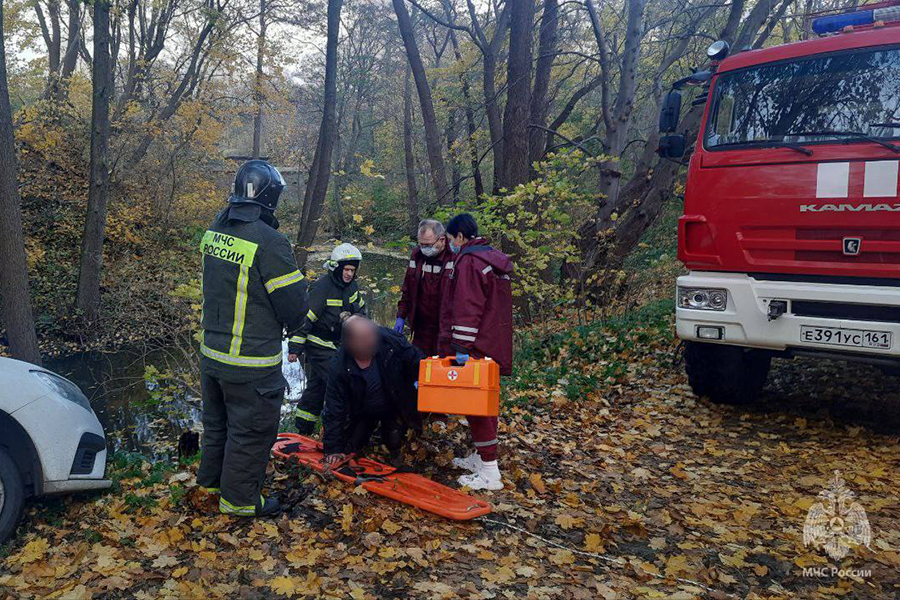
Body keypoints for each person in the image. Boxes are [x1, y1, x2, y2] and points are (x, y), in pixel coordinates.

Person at [197, 160, 308, 518]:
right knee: (250, 433)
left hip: (212, 355)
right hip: (250, 362)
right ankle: (240, 502)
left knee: (218, 427)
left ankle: (211, 486)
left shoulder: (216, 228)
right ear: (270, 197)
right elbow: (294, 306)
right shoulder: (270, 242)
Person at [438, 213, 513, 491]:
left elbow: (467, 308)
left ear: (460, 237)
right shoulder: (491, 259)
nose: (450, 244)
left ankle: (490, 472)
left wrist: (460, 347)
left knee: (477, 405)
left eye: (450, 239)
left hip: (477, 346)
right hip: (493, 341)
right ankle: (482, 458)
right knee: (485, 403)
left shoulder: (470, 262)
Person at [321, 316, 423, 465]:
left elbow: (416, 359)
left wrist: (423, 381)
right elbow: (334, 407)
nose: (372, 340)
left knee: (395, 441)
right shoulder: (339, 366)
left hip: (395, 403)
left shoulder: (390, 340)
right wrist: (333, 448)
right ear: (350, 343)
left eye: (372, 334)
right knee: (350, 447)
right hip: (363, 411)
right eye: (364, 338)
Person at [289, 243, 366, 434]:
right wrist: (295, 347)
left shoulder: (352, 287)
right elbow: (305, 318)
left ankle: (304, 428)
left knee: (318, 386)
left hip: (339, 344)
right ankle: (336, 428)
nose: (349, 274)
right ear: (336, 268)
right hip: (318, 344)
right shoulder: (322, 287)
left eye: (352, 270)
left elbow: (361, 310)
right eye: (346, 270)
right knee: (338, 381)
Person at [395, 219, 454, 356]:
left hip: (445, 329)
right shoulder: (417, 256)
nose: (424, 249)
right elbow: (408, 289)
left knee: (442, 366)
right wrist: (401, 316)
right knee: (420, 364)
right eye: (421, 244)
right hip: (421, 327)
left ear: (442, 240)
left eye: (428, 245)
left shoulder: (454, 258)